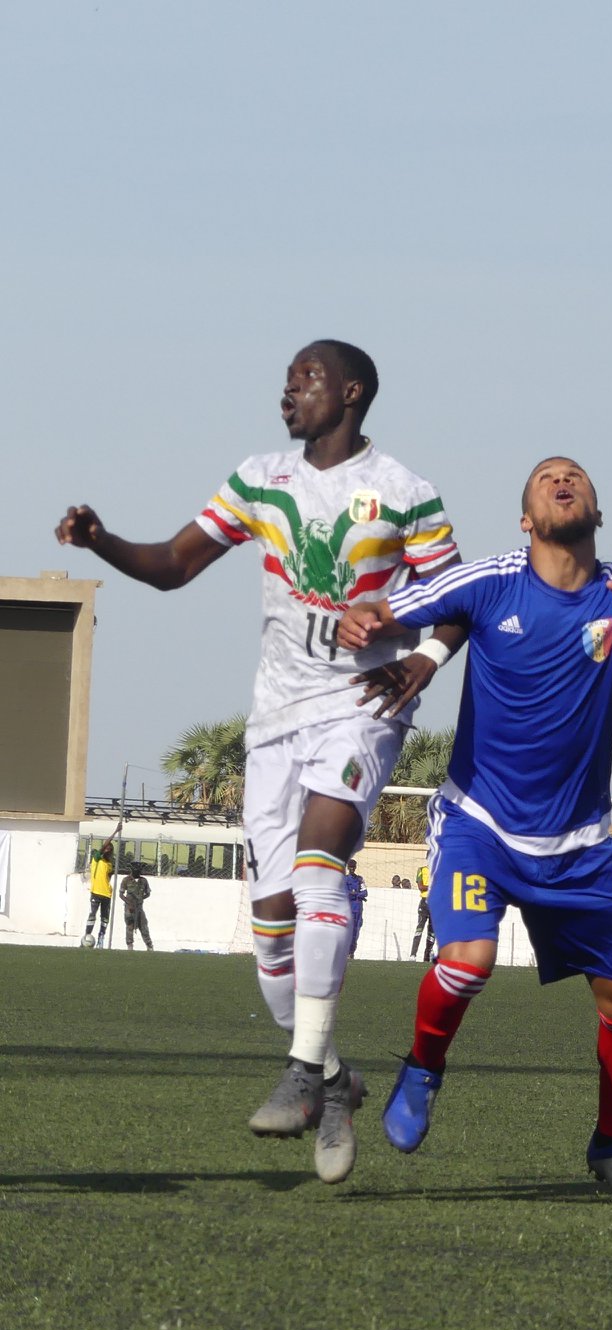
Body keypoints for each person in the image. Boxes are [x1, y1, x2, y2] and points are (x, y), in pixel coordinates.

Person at [55, 340, 461, 1185]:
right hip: (275, 722)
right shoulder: (259, 478)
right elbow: (174, 566)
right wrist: (101, 543)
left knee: (320, 869)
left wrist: (419, 655)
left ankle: (303, 1073)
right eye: (285, 383)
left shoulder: (408, 494)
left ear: (350, 393)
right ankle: (333, 1077)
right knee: (271, 933)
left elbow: (456, 600)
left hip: (359, 709)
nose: (288, 393)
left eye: (305, 380)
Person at [338, 455, 612, 1204]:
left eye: (577, 477)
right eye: (545, 479)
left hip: (580, 845)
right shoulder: (494, 579)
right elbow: (415, 601)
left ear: (598, 508)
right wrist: (371, 617)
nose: (564, 481)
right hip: (481, 823)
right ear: (526, 520)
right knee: (467, 958)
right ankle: (423, 1070)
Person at [82, 840, 115, 948]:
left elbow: (108, 877)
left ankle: (101, 938)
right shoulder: (96, 859)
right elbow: (104, 846)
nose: (107, 851)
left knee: (105, 918)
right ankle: (87, 936)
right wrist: (115, 832)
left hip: (106, 894)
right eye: (106, 849)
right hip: (96, 892)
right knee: (92, 915)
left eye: (110, 851)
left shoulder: (109, 864)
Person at [121, 862, 154, 951]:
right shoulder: (126, 880)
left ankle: (149, 945)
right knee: (129, 925)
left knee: (143, 926)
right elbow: (121, 894)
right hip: (129, 907)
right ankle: (130, 945)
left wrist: (141, 898)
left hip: (139, 907)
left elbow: (148, 893)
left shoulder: (143, 881)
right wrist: (129, 903)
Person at [410, 860, 435, 961]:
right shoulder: (421, 870)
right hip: (424, 903)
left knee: (432, 932)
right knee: (419, 928)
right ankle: (413, 955)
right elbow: (421, 887)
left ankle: (427, 957)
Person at [344, 859, 369, 957]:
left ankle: (352, 952)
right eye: (350, 867)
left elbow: (365, 892)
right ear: (347, 867)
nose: (352, 869)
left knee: (356, 930)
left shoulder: (359, 879)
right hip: (347, 909)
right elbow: (345, 893)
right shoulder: (344, 879)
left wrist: (355, 894)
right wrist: (357, 895)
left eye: (353, 867)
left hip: (358, 909)